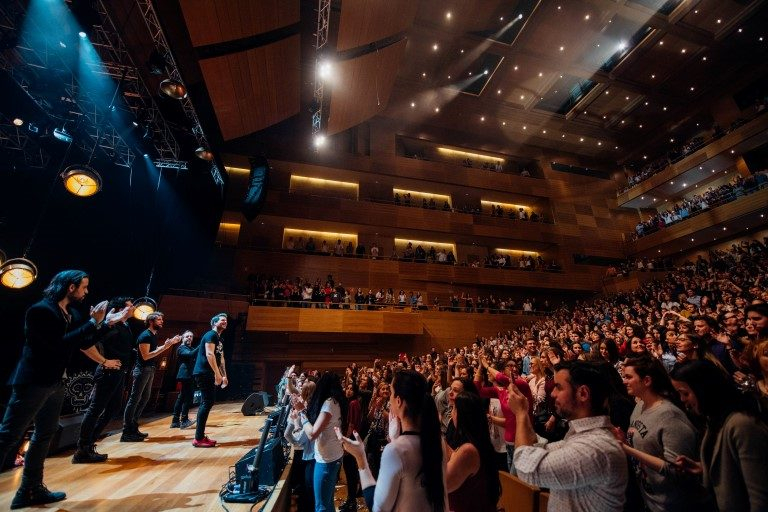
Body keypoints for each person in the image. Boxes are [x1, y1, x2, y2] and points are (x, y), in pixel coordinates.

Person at [0, 270, 128, 509]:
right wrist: (93, 322)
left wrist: (106, 323)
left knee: (44, 435)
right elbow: (56, 345)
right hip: (34, 381)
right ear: (71, 287)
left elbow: (83, 342)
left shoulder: (71, 313)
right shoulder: (40, 311)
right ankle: (29, 489)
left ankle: (30, 489)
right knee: (8, 436)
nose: (86, 292)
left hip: (56, 382)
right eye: (84, 287)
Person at [508, 360, 628, 512]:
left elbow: (526, 468)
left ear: (583, 393)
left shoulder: (596, 447)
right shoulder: (582, 434)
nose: (552, 393)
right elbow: (534, 447)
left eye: (558, 387)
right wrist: (524, 411)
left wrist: (520, 414)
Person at [336, 370, 446, 512]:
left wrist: (360, 458)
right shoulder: (437, 441)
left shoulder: (396, 450)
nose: (390, 397)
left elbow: (378, 507)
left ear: (398, 401)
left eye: (392, 393)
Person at [671, 360, 768, 512]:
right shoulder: (714, 420)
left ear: (703, 389)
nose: (682, 399)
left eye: (685, 393)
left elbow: (760, 497)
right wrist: (703, 467)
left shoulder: (742, 425)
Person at [618, 355, 701, 511]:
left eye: (628, 377)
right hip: (651, 501)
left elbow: (678, 471)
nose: (624, 381)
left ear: (647, 381)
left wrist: (627, 449)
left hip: (675, 506)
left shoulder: (670, 416)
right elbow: (646, 447)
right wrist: (625, 441)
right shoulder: (640, 405)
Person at [73, 296, 136, 463]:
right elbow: (88, 345)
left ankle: (90, 442)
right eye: (130, 306)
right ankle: (82, 449)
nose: (133, 308)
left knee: (114, 408)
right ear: (120, 309)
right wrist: (104, 361)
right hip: (108, 372)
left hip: (119, 372)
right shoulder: (112, 325)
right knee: (95, 409)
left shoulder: (124, 325)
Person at [121, 311, 181, 442]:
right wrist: (166, 347)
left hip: (149, 369)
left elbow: (153, 351)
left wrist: (169, 344)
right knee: (134, 399)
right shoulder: (145, 336)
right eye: (159, 319)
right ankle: (126, 431)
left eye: (161, 319)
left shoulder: (153, 335)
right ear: (150, 321)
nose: (161, 321)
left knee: (144, 398)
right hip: (142, 370)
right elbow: (146, 356)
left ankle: (133, 427)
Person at [298, 371, 348, 512]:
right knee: (327, 502)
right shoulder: (338, 401)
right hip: (334, 455)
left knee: (321, 506)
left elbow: (312, 434)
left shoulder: (329, 403)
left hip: (327, 460)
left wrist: (301, 413)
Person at [445, 392, 500, 512]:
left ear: (461, 415)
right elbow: (454, 455)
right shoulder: (477, 443)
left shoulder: (468, 451)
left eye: (454, 408)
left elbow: (444, 485)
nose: (451, 413)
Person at [191, 313, 228, 447]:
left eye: (226, 320)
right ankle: (198, 438)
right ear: (214, 322)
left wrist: (224, 376)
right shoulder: (210, 335)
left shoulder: (219, 339)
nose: (225, 322)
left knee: (208, 402)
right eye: (222, 320)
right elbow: (209, 354)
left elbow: (221, 358)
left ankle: (200, 436)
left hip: (209, 373)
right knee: (206, 402)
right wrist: (217, 374)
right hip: (204, 372)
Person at [170, 330, 198, 429]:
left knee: (182, 397)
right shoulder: (182, 348)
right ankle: (184, 420)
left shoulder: (191, 348)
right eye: (187, 336)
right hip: (185, 375)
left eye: (191, 336)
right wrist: (202, 344)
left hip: (189, 375)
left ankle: (175, 421)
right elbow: (190, 354)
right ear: (182, 338)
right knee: (186, 398)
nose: (189, 338)